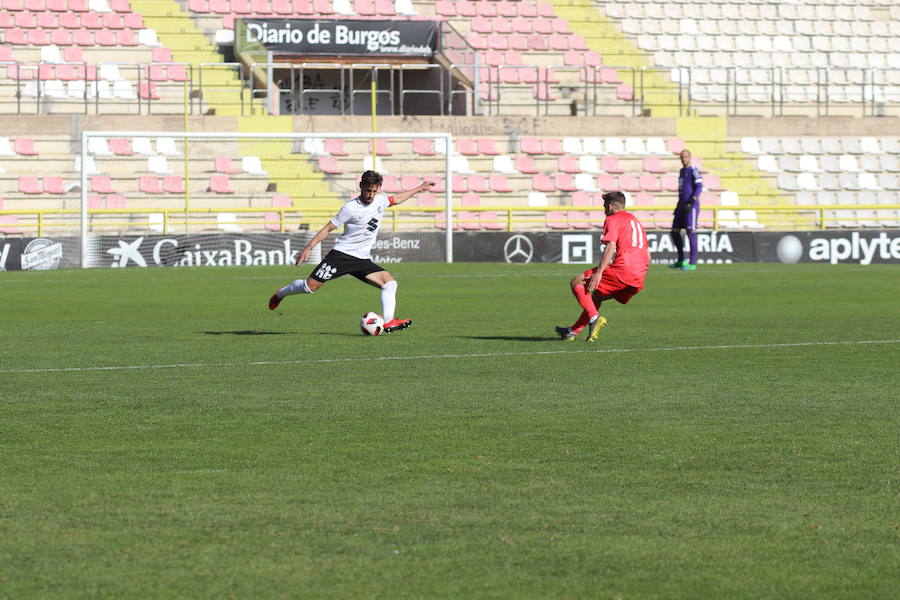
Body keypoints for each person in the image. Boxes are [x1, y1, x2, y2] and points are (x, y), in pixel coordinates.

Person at [268, 170, 434, 333]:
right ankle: (281, 293)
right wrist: (308, 248)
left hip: (362, 260)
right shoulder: (350, 208)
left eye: (374, 191)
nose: (370, 194)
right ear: (361, 186)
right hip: (341, 256)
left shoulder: (380, 201)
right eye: (368, 190)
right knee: (309, 286)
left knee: (390, 284)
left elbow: (396, 199)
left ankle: (389, 321)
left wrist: (419, 188)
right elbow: (328, 228)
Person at [556, 191, 650, 342]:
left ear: (611, 206)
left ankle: (594, 318)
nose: (603, 208)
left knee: (577, 282)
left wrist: (599, 272)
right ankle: (572, 332)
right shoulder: (635, 221)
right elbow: (647, 253)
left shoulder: (612, 219)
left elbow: (611, 246)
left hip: (623, 270)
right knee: (596, 295)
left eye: (605, 205)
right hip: (639, 275)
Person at [669, 149, 703, 271]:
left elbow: (699, 186)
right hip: (681, 206)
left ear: (690, 157)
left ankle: (692, 262)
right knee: (674, 231)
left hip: (691, 206)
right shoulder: (682, 171)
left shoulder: (693, 170)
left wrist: (692, 201)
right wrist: (678, 205)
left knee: (691, 232)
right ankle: (681, 259)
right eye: (682, 157)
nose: (684, 159)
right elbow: (682, 190)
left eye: (686, 157)